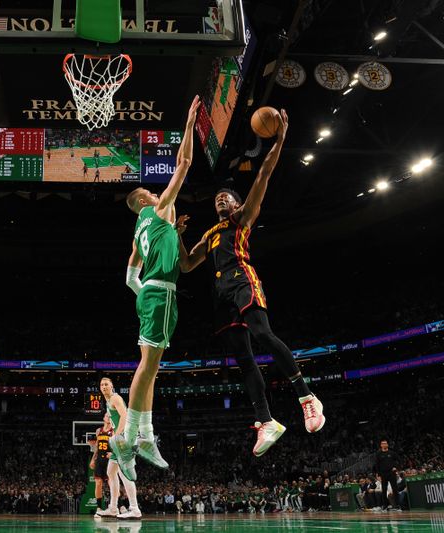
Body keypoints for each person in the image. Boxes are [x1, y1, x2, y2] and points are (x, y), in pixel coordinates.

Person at [177, 109, 324, 457]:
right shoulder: (210, 233)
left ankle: (306, 396)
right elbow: (185, 266)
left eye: (226, 197)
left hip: (243, 279)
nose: (220, 200)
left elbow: (265, 173)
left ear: (239, 204)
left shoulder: (242, 219)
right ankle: (266, 421)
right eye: (217, 199)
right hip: (220, 295)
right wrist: (179, 235)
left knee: (262, 335)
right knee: (243, 359)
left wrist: (280, 140)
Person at [109, 95, 200, 482]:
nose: (156, 191)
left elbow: (130, 276)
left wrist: (144, 291)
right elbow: (185, 162)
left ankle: (142, 434)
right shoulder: (159, 207)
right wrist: (190, 122)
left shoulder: (138, 232)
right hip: (160, 292)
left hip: (151, 292)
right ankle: (129, 436)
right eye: (151, 191)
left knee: (152, 367)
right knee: (149, 367)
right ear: (146, 199)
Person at [97, 377, 141, 519]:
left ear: (112, 386)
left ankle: (134, 509)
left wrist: (116, 435)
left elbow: (125, 416)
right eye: (102, 384)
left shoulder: (115, 398)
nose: (104, 386)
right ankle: (113, 508)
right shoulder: (108, 401)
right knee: (111, 472)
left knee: (124, 474)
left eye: (106, 384)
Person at [89, 415, 111, 514]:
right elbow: (97, 447)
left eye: (110, 415)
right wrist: (93, 459)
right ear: (104, 418)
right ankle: (99, 508)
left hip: (109, 459)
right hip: (99, 460)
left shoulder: (114, 430)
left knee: (112, 484)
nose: (109, 417)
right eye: (107, 415)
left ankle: (119, 505)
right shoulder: (98, 431)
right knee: (98, 483)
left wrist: (113, 454)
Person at [374, 440, 402, 511]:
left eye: (385, 443)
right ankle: (385, 505)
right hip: (383, 474)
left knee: (395, 489)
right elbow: (377, 465)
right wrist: (379, 474)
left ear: (387, 445)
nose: (384, 444)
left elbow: (399, 460)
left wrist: (396, 468)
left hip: (391, 473)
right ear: (381, 445)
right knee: (384, 490)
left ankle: (397, 505)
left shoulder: (392, 453)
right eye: (383, 443)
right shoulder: (378, 454)